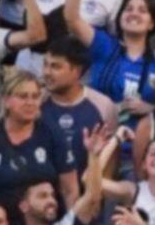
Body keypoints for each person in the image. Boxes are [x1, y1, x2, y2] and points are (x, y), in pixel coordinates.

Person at [64, 0, 155, 129]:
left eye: (142, 10)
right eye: (128, 9)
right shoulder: (105, 45)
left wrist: (151, 108)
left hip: (138, 141)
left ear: (152, 23)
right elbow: (72, 19)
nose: (134, 14)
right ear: (120, 18)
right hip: (97, 135)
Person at [0, 71, 79, 209]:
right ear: (6, 100)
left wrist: (70, 221)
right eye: (23, 96)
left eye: (35, 96)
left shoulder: (52, 134)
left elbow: (69, 190)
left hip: (44, 219)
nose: (30, 102)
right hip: (0, 220)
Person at [40, 37, 119, 176]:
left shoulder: (103, 105)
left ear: (76, 71)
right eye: (45, 65)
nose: (46, 72)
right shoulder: (36, 101)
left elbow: (110, 159)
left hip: (87, 186)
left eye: (55, 66)